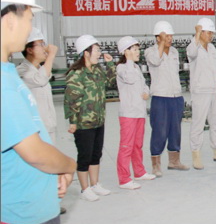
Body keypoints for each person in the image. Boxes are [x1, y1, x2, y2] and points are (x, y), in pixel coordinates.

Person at [1, 0, 76, 224]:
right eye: (30, 18)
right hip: (22, 219)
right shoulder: (3, 82)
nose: (30, 27)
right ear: (11, 19)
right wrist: (68, 164)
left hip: (33, 210)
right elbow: (32, 151)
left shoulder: (8, 74)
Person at [17, 28, 68, 215]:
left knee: (49, 166)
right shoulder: (22, 71)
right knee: (36, 168)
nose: (45, 48)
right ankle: (35, 204)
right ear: (29, 49)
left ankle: (49, 202)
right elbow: (39, 80)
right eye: (41, 44)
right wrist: (52, 56)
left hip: (48, 126)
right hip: (34, 129)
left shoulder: (40, 69)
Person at [64, 34, 116, 201]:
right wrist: (73, 122)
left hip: (98, 120)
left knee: (96, 154)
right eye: (97, 50)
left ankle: (95, 184)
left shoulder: (97, 70)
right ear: (86, 53)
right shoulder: (76, 73)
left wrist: (110, 64)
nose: (99, 53)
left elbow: (111, 82)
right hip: (83, 123)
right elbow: (71, 99)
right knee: (84, 156)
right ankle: (84, 188)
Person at [187, 18, 216, 167]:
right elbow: (191, 53)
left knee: (215, 122)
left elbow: (214, 68)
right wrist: (196, 34)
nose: (211, 35)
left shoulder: (212, 48)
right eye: (208, 32)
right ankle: (196, 154)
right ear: (201, 32)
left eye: (212, 33)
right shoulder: (193, 47)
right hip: (200, 91)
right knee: (198, 124)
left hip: (213, 89)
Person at [145, 20, 188, 176]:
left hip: (176, 96)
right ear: (158, 38)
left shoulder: (175, 52)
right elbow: (155, 61)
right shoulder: (150, 52)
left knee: (175, 130)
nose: (170, 39)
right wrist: (162, 44)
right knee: (160, 130)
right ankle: (156, 165)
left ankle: (174, 161)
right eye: (166, 36)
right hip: (160, 97)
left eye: (170, 36)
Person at [115, 36, 155, 190]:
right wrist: (129, 60)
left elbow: (144, 84)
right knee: (126, 146)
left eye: (138, 49)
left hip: (139, 112)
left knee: (137, 145)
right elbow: (130, 79)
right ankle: (124, 179)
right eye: (135, 49)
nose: (138, 52)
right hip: (128, 114)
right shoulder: (122, 68)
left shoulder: (137, 68)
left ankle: (139, 172)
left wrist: (146, 92)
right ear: (126, 52)